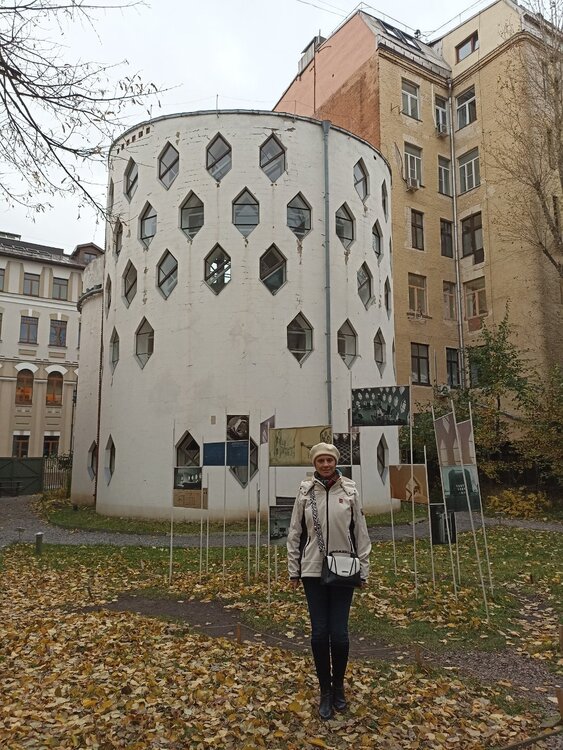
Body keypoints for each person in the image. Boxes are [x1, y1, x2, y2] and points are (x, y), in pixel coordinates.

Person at [286, 442, 372, 720]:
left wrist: (364, 570)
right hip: (312, 570)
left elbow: (360, 532)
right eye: (320, 460)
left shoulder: (349, 490)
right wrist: (293, 570)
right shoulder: (305, 491)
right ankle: (324, 690)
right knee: (320, 633)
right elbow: (295, 532)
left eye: (329, 460)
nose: (325, 465)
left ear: (336, 462)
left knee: (340, 634)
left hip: (344, 569)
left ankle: (339, 687)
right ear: (314, 464)